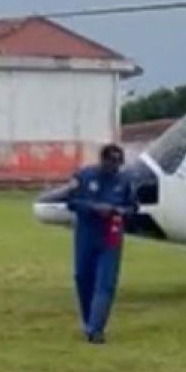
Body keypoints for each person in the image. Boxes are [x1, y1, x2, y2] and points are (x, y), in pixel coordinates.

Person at [63, 143, 136, 344]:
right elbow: (71, 202)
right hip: (86, 233)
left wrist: (119, 211)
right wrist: (94, 208)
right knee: (83, 277)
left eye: (118, 163)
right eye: (111, 163)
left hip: (110, 235)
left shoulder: (124, 181)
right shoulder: (83, 176)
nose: (114, 168)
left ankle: (97, 328)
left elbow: (132, 207)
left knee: (106, 281)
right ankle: (89, 321)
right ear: (102, 160)